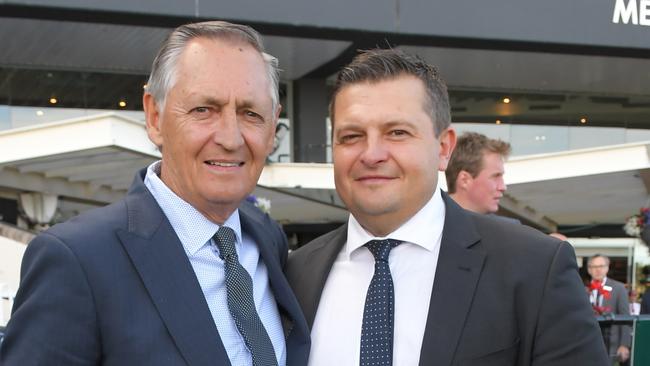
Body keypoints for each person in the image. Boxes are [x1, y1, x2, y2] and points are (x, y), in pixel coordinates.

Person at [0, 21, 309, 366]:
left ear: (272, 126)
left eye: (251, 113)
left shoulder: (267, 238)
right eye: (203, 110)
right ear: (154, 116)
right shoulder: (77, 260)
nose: (230, 138)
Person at [286, 48, 607, 365]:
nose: (372, 154)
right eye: (352, 135)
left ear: (443, 148)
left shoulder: (534, 268)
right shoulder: (296, 274)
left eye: (397, 132)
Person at [445, 131, 511, 214]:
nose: (503, 187)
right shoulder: (427, 223)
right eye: (495, 176)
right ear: (464, 180)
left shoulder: (508, 226)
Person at [587, 254, 632, 364]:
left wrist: (624, 345)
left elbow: (625, 317)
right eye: (594, 266)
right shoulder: (583, 289)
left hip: (612, 345)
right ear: (589, 269)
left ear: (607, 267)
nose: (598, 270)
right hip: (588, 344)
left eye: (601, 266)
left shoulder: (619, 288)